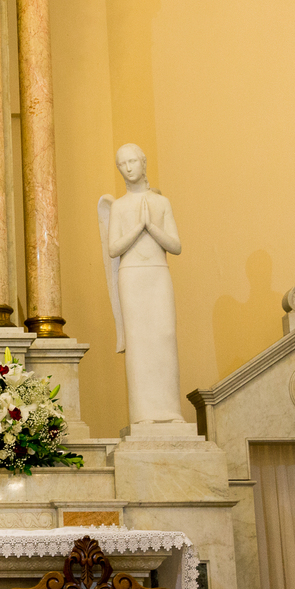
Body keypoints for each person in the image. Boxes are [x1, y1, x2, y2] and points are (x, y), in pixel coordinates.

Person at [98, 143, 186, 424]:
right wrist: (139, 226)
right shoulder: (120, 206)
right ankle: (143, 413)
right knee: (138, 341)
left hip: (158, 274)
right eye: (122, 164)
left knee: (164, 337)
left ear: (143, 162)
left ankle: (170, 411)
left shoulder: (162, 202)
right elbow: (113, 249)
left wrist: (153, 226)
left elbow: (176, 246)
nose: (128, 167)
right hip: (131, 276)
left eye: (133, 161)